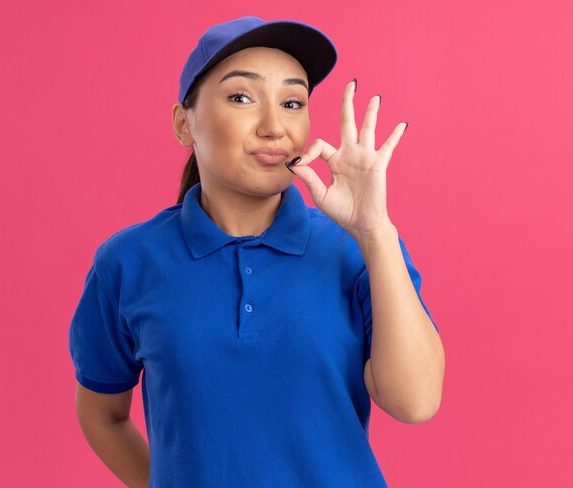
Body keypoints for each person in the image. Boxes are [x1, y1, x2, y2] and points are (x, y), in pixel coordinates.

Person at [69, 15, 444, 488]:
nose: (274, 127)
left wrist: (375, 232)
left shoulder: (359, 251)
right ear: (184, 124)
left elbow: (417, 402)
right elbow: (102, 415)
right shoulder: (128, 263)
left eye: (292, 102)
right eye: (241, 97)